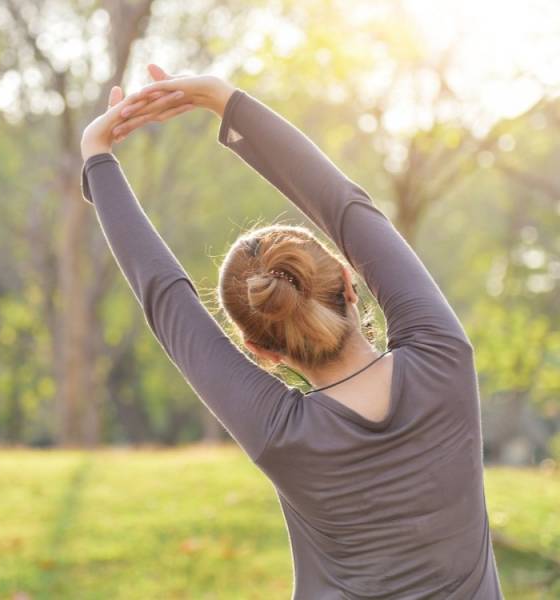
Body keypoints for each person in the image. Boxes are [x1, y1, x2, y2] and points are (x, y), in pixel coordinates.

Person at [79, 64, 504, 599]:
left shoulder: (280, 432)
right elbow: (347, 207)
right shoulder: (446, 357)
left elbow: (166, 300)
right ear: (350, 282)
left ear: (257, 351)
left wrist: (98, 156)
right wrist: (223, 100)